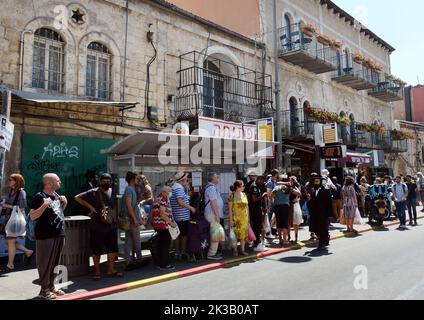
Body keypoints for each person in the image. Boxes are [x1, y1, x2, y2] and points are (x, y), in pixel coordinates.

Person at [74, 173, 122, 280]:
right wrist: (90, 207)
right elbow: (77, 197)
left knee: (112, 249)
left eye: (108, 181)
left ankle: (111, 269)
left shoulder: (113, 192)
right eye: (104, 181)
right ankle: (97, 271)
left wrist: (116, 219)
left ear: (111, 182)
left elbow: (114, 207)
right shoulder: (93, 192)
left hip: (111, 225)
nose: (106, 183)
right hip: (97, 226)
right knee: (97, 250)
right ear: (100, 181)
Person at [29, 173, 67, 300]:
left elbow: (57, 214)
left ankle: (51, 286)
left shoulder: (56, 196)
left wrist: (64, 204)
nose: (60, 182)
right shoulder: (40, 197)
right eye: (58, 180)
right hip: (45, 236)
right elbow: (33, 216)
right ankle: (43, 290)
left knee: (55, 262)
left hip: (59, 234)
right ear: (50, 183)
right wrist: (44, 205)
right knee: (45, 263)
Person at [0, 174, 33, 273]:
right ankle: (28, 251)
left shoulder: (21, 192)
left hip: (15, 219)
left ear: (17, 181)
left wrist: (6, 205)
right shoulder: (12, 192)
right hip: (10, 219)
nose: (8, 181)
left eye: (10, 180)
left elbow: (22, 208)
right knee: (9, 241)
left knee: (10, 241)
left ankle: (10, 265)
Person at [169, 172, 196, 260]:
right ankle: (182, 252)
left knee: (177, 235)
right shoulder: (179, 188)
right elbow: (180, 202)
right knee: (183, 235)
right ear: (182, 180)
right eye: (186, 180)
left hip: (176, 215)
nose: (187, 181)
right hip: (182, 216)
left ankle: (177, 252)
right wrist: (191, 207)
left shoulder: (173, 187)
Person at [122, 171, 144, 270]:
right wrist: (135, 219)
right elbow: (128, 205)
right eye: (136, 179)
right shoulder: (129, 190)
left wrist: (139, 199)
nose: (137, 180)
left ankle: (128, 261)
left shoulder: (130, 189)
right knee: (136, 240)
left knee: (129, 240)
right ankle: (139, 259)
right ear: (132, 180)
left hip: (130, 219)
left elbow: (131, 204)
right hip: (132, 219)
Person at [151, 186, 176, 270]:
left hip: (157, 224)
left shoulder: (157, 198)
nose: (170, 194)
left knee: (160, 244)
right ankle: (165, 264)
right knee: (165, 245)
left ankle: (159, 263)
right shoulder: (164, 199)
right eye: (169, 192)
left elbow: (156, 211)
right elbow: (162, 214)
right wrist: (171, 223)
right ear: (165, 192)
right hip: (163, 225)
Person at [272, 175, 301, 246]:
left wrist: (277, 198)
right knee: (284, 223)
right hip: (285, 206)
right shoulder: (288, 188)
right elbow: (298, 193)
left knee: (279, 223)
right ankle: (285, 240)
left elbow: (272, 195)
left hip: (277, 206)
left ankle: (280, 240)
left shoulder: (276, 187)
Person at [307, 175, 332, 250]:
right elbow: (312, 202)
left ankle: (321, 243)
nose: (316, 182)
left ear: (320, 182)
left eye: (317, 181)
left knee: (322, 228)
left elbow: (329, 202)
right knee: (316, 228)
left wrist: (329, 214)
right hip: (315, 213)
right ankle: (326, 237)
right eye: (315, 181)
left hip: (323, 213)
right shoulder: (312, 190)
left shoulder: (325, 190)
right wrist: (309, 200)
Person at [204, 173, 224, 260]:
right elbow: (213, 203)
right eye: (217, 177)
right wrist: (217, 215)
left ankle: (213, 252)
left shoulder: (212, 187)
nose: (218, 178)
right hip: (212, 214)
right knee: (215, 233)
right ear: (213, 179)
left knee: (216, 233)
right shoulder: (211, 188)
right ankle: (211, 254)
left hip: (212, 214)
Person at [228, 180, 250, 256]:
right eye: (242, 186)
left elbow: (247, 208)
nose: (244, 187)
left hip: (244, 219)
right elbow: (230, 209)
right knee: (235, 235)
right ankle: (235, 250)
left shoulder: (244, 194)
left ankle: (242, 250)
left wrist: (248, 220)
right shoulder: (232, 196)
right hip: (235, 219)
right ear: (237, 187)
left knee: (243, 236)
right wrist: (231, 220)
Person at [249, 175, 267, 252]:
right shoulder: (254, 187)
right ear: (259, 179)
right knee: (257, 227)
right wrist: (262, 196)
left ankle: (256, 242)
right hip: (254, 210)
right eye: (262, 181)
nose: (263, 183)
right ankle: (256, 243)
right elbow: (254, 199)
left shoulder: (257, 186)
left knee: (258, 227)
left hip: (257, 209)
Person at [265, 169, 279, 241]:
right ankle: (268, 233)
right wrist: (272, 201)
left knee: (273, 218)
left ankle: (272, 232)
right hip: (270, 203)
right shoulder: (270, 182)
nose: (278, 176)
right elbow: (269, 194)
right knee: (269, 218)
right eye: (277, 174)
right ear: (274, 175)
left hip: (274, 202)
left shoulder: (274, 181)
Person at [289, 176, 303, 243]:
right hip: (291, 205)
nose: (290, 182)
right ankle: (290, 237)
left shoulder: (294, 187)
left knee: (295, 223)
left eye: (291, 180)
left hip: (294, 205)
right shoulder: (290, 187)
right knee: (290, 222)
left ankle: (296, 238)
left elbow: (299, 194)